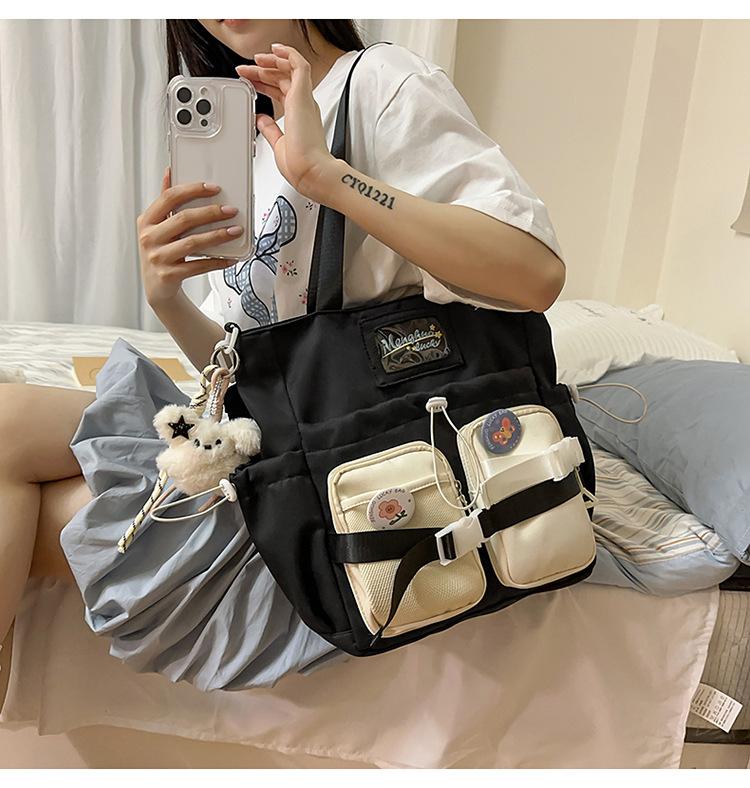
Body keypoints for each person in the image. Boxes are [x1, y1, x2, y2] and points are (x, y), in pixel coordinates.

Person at [0, 19, 566, 691]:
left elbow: (535, 275)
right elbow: (251, 371)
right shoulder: (257, 137)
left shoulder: (380, 84)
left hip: (340, 469)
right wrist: (165, 297)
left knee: (35, 491)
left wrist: (329, 178)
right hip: (268, 439)